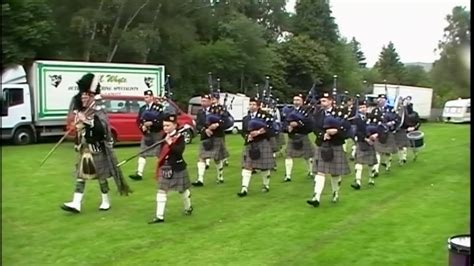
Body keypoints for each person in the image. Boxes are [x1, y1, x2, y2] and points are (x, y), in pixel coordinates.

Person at [62, 73, 132, 213]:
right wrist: (78, 124)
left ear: (92, 96)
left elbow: (102, 130)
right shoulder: (82, 111)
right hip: (84, 149)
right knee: (80, 177)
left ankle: (105, 200)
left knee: (101, 177)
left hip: (97, 149)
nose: (83, 98)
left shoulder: (99, 111)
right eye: (82, 95)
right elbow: (79, 129)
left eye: (86, 95)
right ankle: (76, 203)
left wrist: (88, 121)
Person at [307, 91, 351, 207]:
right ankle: (316, 197)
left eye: (325, 101)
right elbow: (315, 128)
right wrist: (323, 135)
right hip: (322, 144)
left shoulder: (340, 113)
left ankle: (335, 193)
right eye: (321, 101)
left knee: (335, 173)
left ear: (331, 101)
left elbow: (347, 128)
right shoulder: (318, 114)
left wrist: (337, 132)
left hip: (336, 144)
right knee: (320, 172)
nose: (323, 103)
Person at [149, 114, 193, 224]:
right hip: (165, 167)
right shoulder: (163, 135)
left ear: (174, 125)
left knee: (182, 190)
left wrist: (170, 143)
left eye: (168, 126)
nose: (165, 128)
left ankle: (188, 207)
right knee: (161, 190)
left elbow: (179, 152)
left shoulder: (180, 137)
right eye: (164, 126)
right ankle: (159, 216)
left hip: (177, 167)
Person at [237, 98, 276, 197]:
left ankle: (265, 185)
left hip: (262, 142)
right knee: (247, 166)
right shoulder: (246, 118)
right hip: (250, 143)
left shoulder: (266, 116)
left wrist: (259, 132)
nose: (251, 106)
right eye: (250, 104)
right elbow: (243, 131)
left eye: (254, 104)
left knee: (264, 167)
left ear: (258, 106)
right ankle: (244, 188)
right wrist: (248, 136)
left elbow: (272, 130)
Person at [192, 94, 229, 186]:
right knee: (201, 157)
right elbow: (198, 125)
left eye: (204, 101)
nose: (202, 103)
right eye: (202, 101)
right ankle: (200, 179)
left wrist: (217, 125)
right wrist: (205, 130)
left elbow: (226, 121)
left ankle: (220, 176)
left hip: (217, 136)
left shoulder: (218, 110)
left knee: (217, 158)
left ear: (210, 101)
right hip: (205, 137)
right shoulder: (200, 112)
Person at [129, 90, 165, 181]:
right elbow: (138, 121)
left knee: (158, 154)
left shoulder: (159, 107)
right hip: (146, 134)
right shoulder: (142, 108)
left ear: (152, 97)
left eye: (148, 97)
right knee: (142, 153)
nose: (146, 99)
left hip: (156, 133)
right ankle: (139, 173)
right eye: (145, 97)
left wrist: (152, 123)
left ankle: (161, 172)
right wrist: (142, 127)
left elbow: (162, 121)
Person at [282, 94, 315, 182]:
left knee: (308, 156)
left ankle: (311, 171)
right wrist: (287, 128)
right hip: (292, 136)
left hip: (302, 135)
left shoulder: (307, 111)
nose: (296, 102)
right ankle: (288, 175)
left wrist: (298, 124)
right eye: (294, 100)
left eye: (298, 100)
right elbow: (284, 123)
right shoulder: (289, 111)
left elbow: (310, 124)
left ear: (302, 101)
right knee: (288, 156)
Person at [350, 100, 379, 189]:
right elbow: (356, 132)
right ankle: (358, 181)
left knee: (371, 163)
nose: (362, 109)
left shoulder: (371, 117)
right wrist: (366, 139)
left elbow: (379, 127)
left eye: (364, 107)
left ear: (366, 108)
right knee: (359, 162)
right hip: (362, 142)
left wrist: (376, 135)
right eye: (360, 108)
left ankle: (371, 179)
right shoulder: (356, 119)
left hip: (371, 142)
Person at [370, 94, 398, 175]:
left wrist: (392, 123)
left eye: (383, 99)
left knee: (387, 152)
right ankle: (376, 169)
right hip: (378, 132)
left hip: (387, 132)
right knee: (377, 151)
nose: (381, 100)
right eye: (380, 98)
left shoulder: (390, 110)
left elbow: (396, 120)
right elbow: (371, 121)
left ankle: (388, 165)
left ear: (386, 100)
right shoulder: (375, 110)